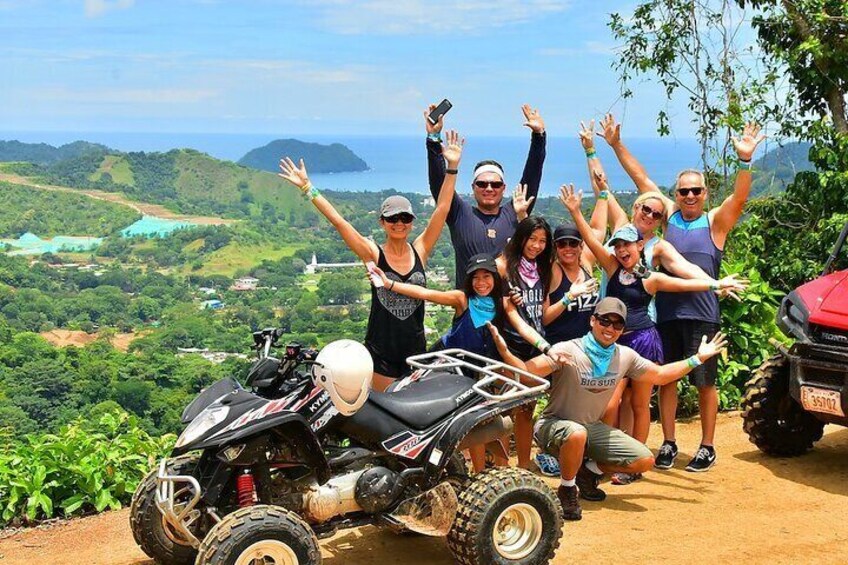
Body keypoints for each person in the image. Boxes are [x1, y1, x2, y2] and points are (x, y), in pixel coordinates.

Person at [598, 113, 765, 471]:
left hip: (703, 311)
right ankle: (669, 442)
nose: (689, 196)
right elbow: (640, 179)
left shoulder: (714, 222)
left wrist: (745, 159)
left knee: (705, 382)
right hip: (668, 313)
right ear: (675, 196)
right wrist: (614, 144)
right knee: (669, 380)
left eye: (696, 191)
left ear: (705, 194)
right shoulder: (667, 217)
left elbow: (739, 196)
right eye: (683, 191)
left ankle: (706, 445)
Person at [561, 184, 746, 480]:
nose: (623, 250)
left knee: (640, 403)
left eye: (628, 246)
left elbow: (686, 281)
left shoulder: (651, 278)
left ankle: (635, 461)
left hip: (644, 341)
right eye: (618, 245)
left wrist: (716, 284)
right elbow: (589, 241)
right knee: (611, 401)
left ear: (639, 246)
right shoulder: (611, 267)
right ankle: (605, 455)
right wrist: (574, 210)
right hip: (617, 343)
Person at [486, 297, 729, 520]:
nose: (610, 329)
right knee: (576, 433)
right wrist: (505, 352)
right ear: (592, 321)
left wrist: (698, 358)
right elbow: (527, 373)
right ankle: (567, 489)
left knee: (643, 460)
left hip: (590, 428)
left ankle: (588, 472)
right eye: (605, 321)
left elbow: (661, 375)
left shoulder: (625, 356)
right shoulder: (568, 350)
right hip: (553, 425)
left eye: (617, 325)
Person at [277, 130, 465, 392]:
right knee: (385, 418)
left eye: (405, 218)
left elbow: (442, 209)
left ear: (412, 222)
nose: (399, 223)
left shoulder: (420, 249)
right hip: (381, 353)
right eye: (392, 218)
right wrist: (308, 188)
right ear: (382, 222)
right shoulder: (373, 252)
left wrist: (453, 167)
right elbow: (340, 223)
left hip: (415, 351)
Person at [368, 253, 508, 472]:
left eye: (487, 276)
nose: (481, 283)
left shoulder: (502, 304)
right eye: (476, 278)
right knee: (438, 417)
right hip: (445, 364)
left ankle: (477, 474)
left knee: (472, 419)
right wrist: (389, 284)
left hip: (473, 369)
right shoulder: (463, 299)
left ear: (496, 279)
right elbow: (427, 294)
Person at [426, 103, 546, 286]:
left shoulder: (515, 210)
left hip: (509, 309)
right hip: (470, 308)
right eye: (482, 184)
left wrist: (539, 137)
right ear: (473, 187)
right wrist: (433, 140)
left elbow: (533, 175)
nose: (489, 188)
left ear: (504, 188)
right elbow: (439, 186)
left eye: (495, 184)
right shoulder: (460, 214)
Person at [493, 216, 555, 471]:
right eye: (532, 239)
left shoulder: (543, 267)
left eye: (542, 241)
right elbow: (491, 302)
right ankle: (502, 465)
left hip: (535, 342)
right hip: (509, 343)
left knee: (526, 407)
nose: (537, 246)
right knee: (504, 407)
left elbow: (543, 308)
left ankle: (525, 461)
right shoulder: (503, 266)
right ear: (521, 237)